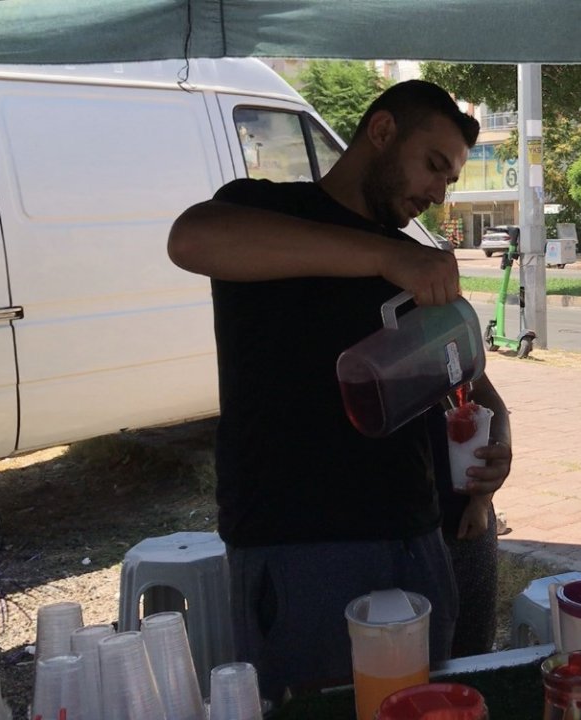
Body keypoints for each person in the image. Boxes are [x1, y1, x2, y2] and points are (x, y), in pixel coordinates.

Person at [167, 80, 512, 702]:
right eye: (434, 165)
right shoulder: (264, 208)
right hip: (299, 546)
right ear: (381, 132)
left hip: (414, 539)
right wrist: (384, 258)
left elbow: (470, 380)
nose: (438, 193)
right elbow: (190, 239)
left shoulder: (413, 261)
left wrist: (496, 440)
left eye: (450, 180)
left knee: (422, 709)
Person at [428, 406, 500, 658]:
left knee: (471, 651)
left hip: (462, 523)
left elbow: (490, 401)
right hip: (372, 533)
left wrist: (481, 499)